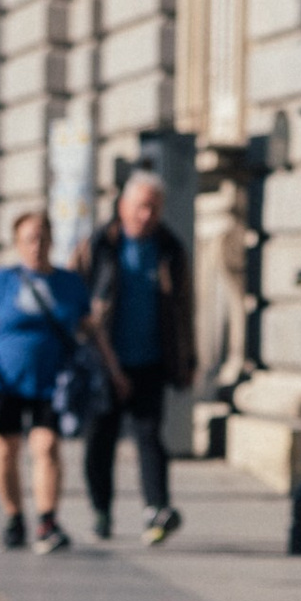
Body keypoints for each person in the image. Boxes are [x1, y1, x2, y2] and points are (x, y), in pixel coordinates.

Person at [0, 207, 92, 554]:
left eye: (43, 238)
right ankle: (15, 516)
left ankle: (47, 520)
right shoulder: (2, 280)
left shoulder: (69, 284)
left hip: (53, 382)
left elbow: (92, 330)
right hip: (5, 381)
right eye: (30, 239)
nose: (37, 245)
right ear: (18, 243)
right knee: (5, 451)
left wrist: (113, 371)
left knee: (46, 448)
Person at [84, 168, 194, 545]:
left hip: (150, 358)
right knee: (102, 437)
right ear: (122, 206)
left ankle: (156, 509)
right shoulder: (100, 244)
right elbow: (77, 296)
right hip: (105, 358)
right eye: (141, 207)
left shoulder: (169, 249)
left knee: (149, 435)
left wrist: (187, 358)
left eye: (154, 208)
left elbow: (184, 307)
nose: (147, 215)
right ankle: (102, 509)